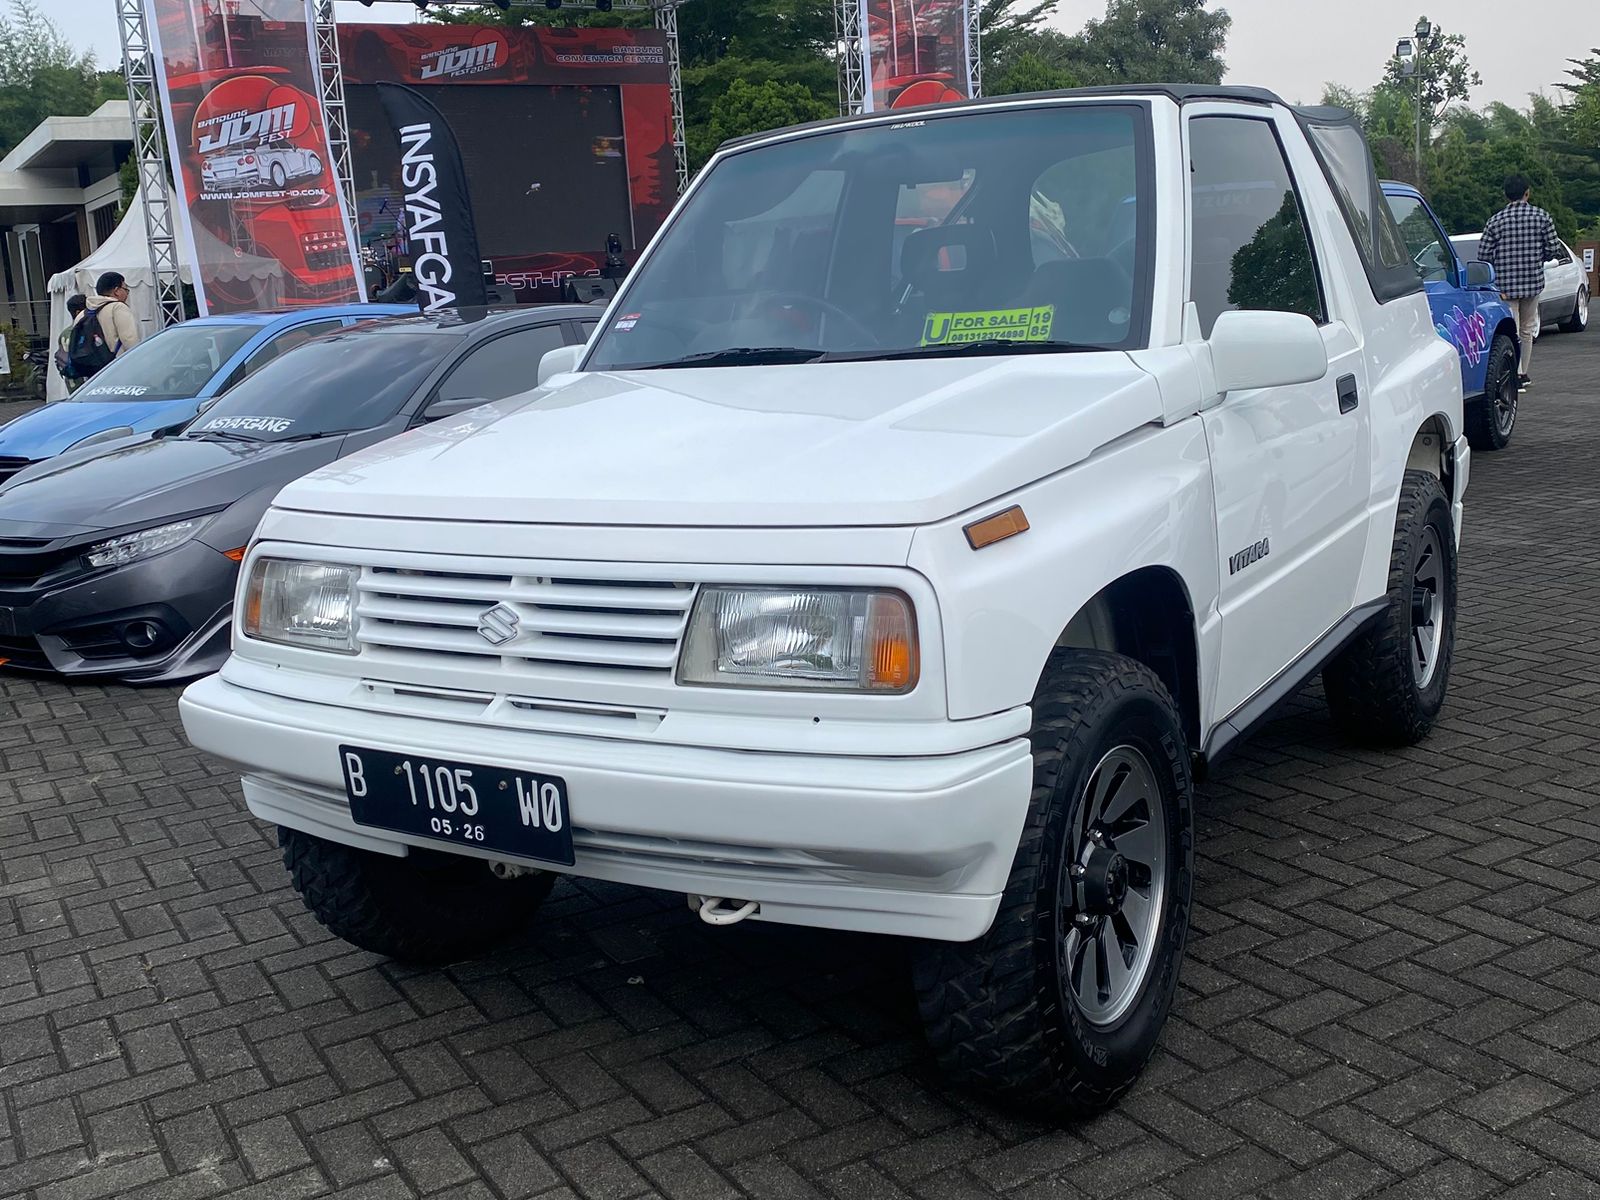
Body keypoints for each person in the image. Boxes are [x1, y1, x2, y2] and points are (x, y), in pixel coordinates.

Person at [1478, 174, 1563, 389]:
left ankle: (1508, 373)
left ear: (1506, 195)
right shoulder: (1542, 217)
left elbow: (1483, 255)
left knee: (1511, 329)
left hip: (1504, 286)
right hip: (1532, 282)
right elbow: (1553, 249)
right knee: (1527, 328)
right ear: (1527, 192)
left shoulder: (1495, 221)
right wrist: (1538, 257)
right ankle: (1522, 372)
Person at [84, 271, 140, 361]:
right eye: (126, 289)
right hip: (117, 365)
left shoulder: (84, 313)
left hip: (93, 369)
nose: (127, 294)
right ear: (117, 291)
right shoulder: (118, 307)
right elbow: (130, 340)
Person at [53, 293, 87, 393]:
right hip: (84, 379)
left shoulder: (64, 333)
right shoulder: (83, 332)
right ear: (78, 313)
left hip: (71, 379)